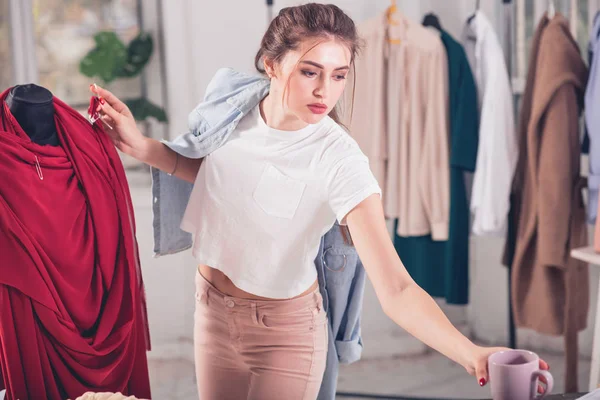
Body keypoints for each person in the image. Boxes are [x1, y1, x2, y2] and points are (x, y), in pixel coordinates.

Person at [90, 3, 549, 399]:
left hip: (284, 334)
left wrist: (471, 354)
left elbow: (397, 288)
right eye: (310, 72)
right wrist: (139, 145)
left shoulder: (340, 159)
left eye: (338, 75)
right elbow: (221, 177)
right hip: (211, 312)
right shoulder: (233, 105)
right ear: (270, 64)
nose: (324, 91)